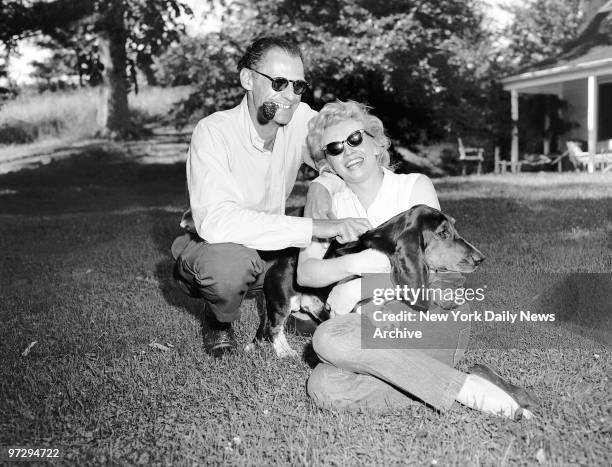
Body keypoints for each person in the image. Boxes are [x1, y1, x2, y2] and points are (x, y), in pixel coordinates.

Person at [299, 100, 536, 419]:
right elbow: (306, 272)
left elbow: (437, 275)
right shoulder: (335, 207)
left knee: (327, 337)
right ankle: (463, 383)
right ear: (328, 161)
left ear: (375, 141)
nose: (348, 151)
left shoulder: (413, 187)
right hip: (370, 329)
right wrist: (353, 265)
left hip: (430, 316)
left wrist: (359, 289)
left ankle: (465, 392)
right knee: (323, 385)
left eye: (355, 138)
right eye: (335, 148)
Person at [171, 37, 370, 357]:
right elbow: (217, 222)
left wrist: (322, 183)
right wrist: (313, 227)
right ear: (248, 79)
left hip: (273, 247)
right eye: (279, 83)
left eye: (298, 86)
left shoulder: (299, 117)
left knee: (347, 239)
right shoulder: (213, 131)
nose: (290, 96)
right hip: (217, 245)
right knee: (229, 268)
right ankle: (218, 319)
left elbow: (343, 155)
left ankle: (302, 308)